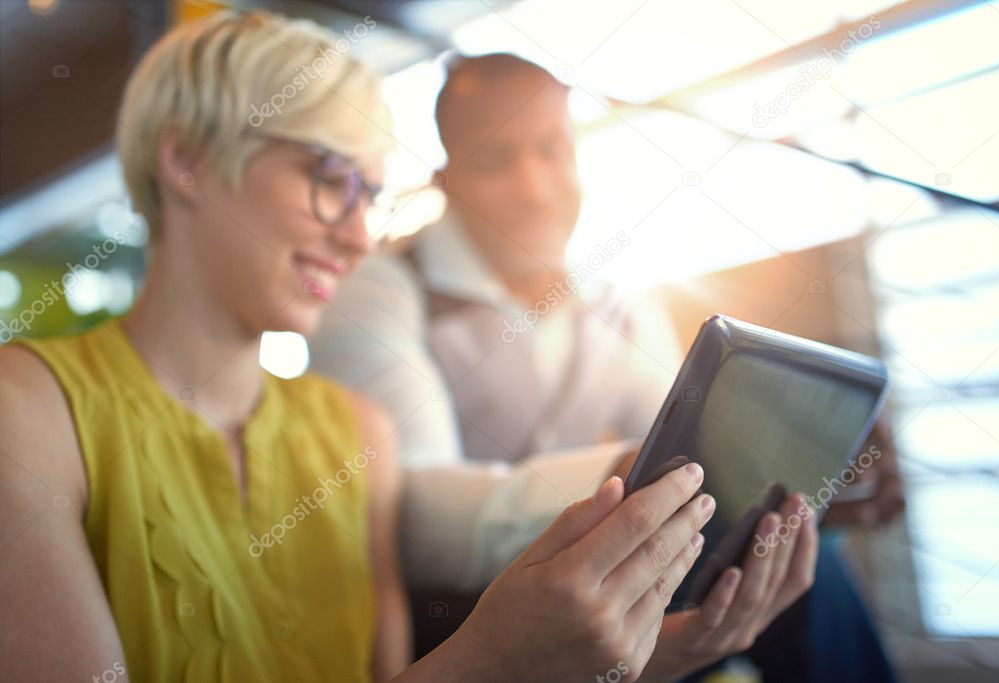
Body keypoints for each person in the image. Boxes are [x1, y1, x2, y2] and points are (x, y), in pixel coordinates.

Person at [0, 12, 818, 683]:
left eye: (372, 194)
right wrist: (491, 657)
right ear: (185, 159)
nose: (358, 233)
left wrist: (670, 646)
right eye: (329, 177)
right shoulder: (25, 414)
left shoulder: (355, 436)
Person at [309, 53, 904, 681]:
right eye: (496, 160)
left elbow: (689, 452)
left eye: (552, 151)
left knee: (791, 558)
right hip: (463, 615)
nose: (534, 187)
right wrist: (622, 479)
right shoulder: (380, 289)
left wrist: (795, 492)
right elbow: (418, 520)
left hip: (607, 582)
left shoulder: (620, 304)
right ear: (446, 180)